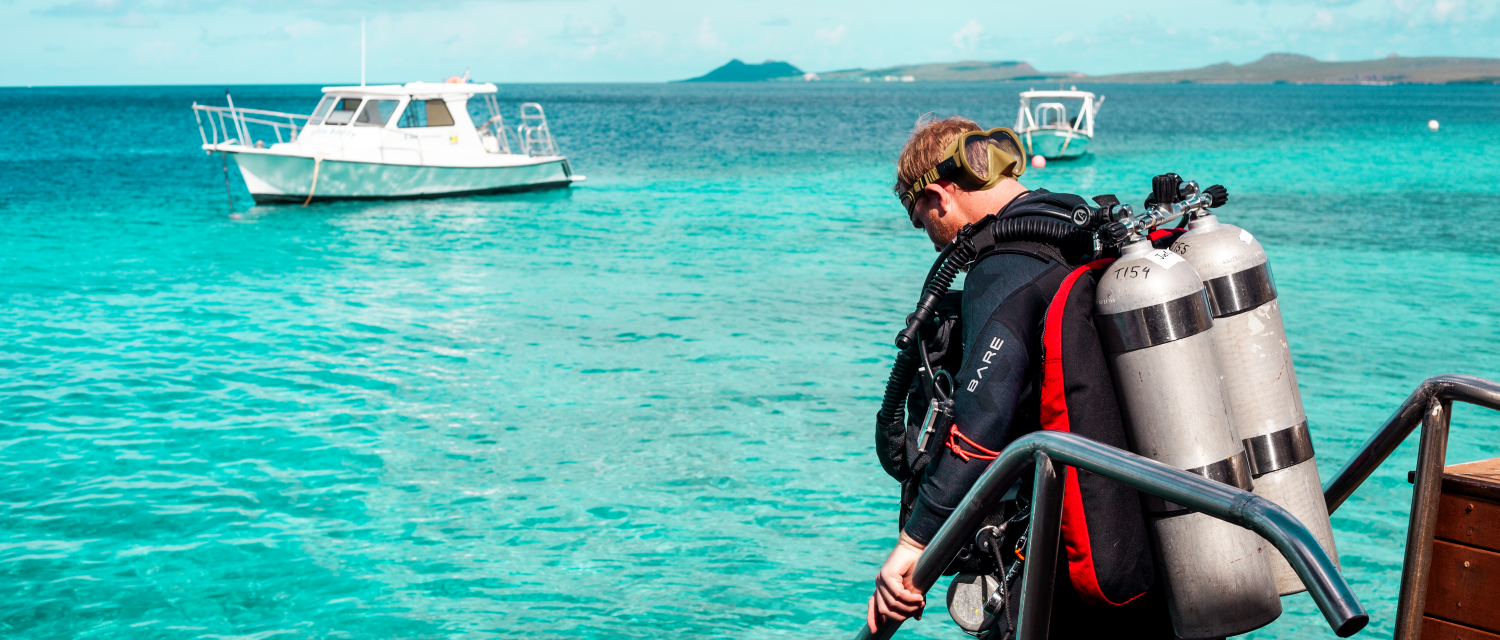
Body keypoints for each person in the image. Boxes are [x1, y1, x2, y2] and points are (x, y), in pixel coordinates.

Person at [865, 115, 1172, 637]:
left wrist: (912, 546)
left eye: (923, 223)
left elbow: (983, 419)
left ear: (939, 195)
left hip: (1073, 560)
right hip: (1152, 535)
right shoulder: (1081, 230)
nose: (935, 243)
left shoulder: (1002, 264)